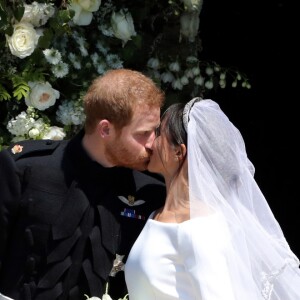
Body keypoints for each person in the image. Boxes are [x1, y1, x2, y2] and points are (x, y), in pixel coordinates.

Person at [0, 69, 166, 300]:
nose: (153, 143)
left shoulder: (151, 192)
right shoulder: (26, 170)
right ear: (105, 129)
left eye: (155, 130)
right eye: (144, 133)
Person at [125, 98, 300, 299]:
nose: (150, 142)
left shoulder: (200, 229)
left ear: (178, 152)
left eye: (159, 134)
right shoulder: (156, 215)